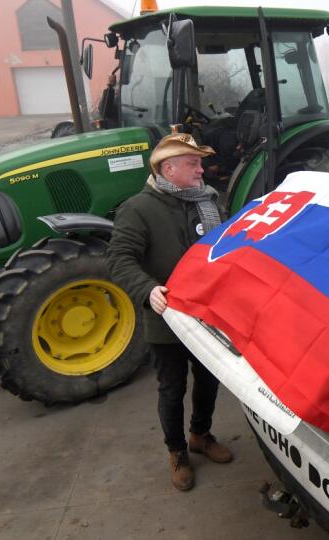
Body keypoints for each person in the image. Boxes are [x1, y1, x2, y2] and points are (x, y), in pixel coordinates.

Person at [108, 133, 233, 492]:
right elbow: (118, 258)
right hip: (167, 316)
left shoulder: (206, 201)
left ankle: (200, 435)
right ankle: (177, 451)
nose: (201, 169)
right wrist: (146, 289)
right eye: (193, 163)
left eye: (199, 163)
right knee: (171, 387)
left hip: (207, 312)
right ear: (168, 168)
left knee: (209, 378)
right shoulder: (138, 209)